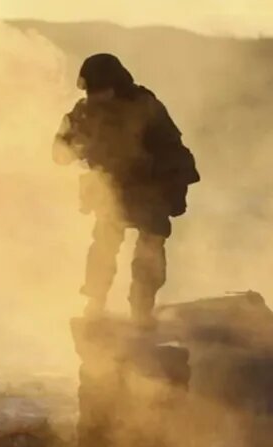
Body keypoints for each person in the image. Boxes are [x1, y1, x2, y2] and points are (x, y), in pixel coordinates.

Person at [53, 53, 200, 326]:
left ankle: (141, 311)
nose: (93, 95)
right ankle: (95, 304)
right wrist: (74, 146)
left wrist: (172, 190)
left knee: (149, 250)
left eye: (98, 89)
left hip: (149, 188)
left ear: (115, 85)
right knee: (104, 247)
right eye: (90, 91)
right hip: (111, 188)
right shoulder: (84, 111)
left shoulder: (145, 107)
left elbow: (174, 153)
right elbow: (59, 151)